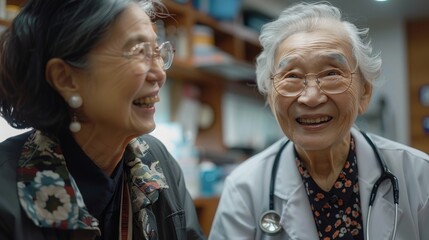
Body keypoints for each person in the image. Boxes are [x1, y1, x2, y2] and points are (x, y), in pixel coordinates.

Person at [209, 2, 429, 240]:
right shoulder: (243, 190)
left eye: (331, 73)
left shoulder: (419, 175)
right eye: (291, 76)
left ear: (364, 93)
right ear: (271, 96)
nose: (311, 97)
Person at [0, 0, 205, 239]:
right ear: (66, 78)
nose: (159, 74)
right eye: (139, 53)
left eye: (158, 53)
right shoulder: (5, 193)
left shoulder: (159, 163)